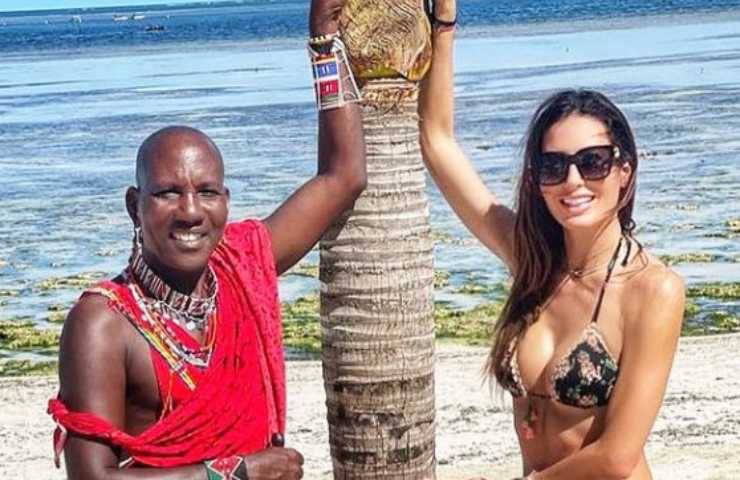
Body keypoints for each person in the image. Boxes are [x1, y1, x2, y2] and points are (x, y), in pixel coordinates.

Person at [47, 1, 365, 478]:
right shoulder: (102, 324)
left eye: (207, 192)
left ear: (226, 202)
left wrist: (323, 41)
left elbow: (343, 176)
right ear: (135, 205)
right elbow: (92, 478)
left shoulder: (241, 265)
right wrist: (234, 473)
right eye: (168, 193)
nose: (191, 211)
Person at [419, 1, 685, 479]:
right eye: (553, 166)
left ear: (624, 171)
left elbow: (617, 457)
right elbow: (438, 143)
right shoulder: (532, 260)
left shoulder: (653, 290)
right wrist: (444, 24)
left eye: (593, 162)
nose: (573, 181)